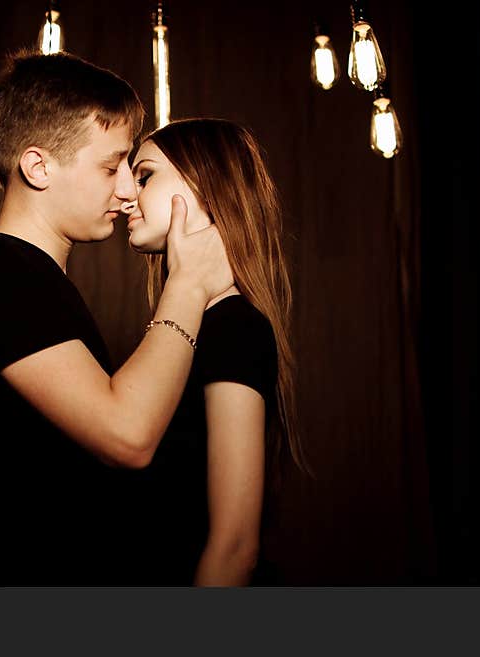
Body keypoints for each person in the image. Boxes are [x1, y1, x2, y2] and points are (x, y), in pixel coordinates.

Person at [0, 52, 233, 584]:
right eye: (111, 167)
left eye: (132, 169)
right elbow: (128, 435)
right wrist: (189, 281)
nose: (128, 189)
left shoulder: (34, 282)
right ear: (38, 167)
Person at [125, 118, 310, 586]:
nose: (126, 193)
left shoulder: (233, 327)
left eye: (144, 175)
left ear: (205, 188)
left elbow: (234, 546)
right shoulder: (188, 325)